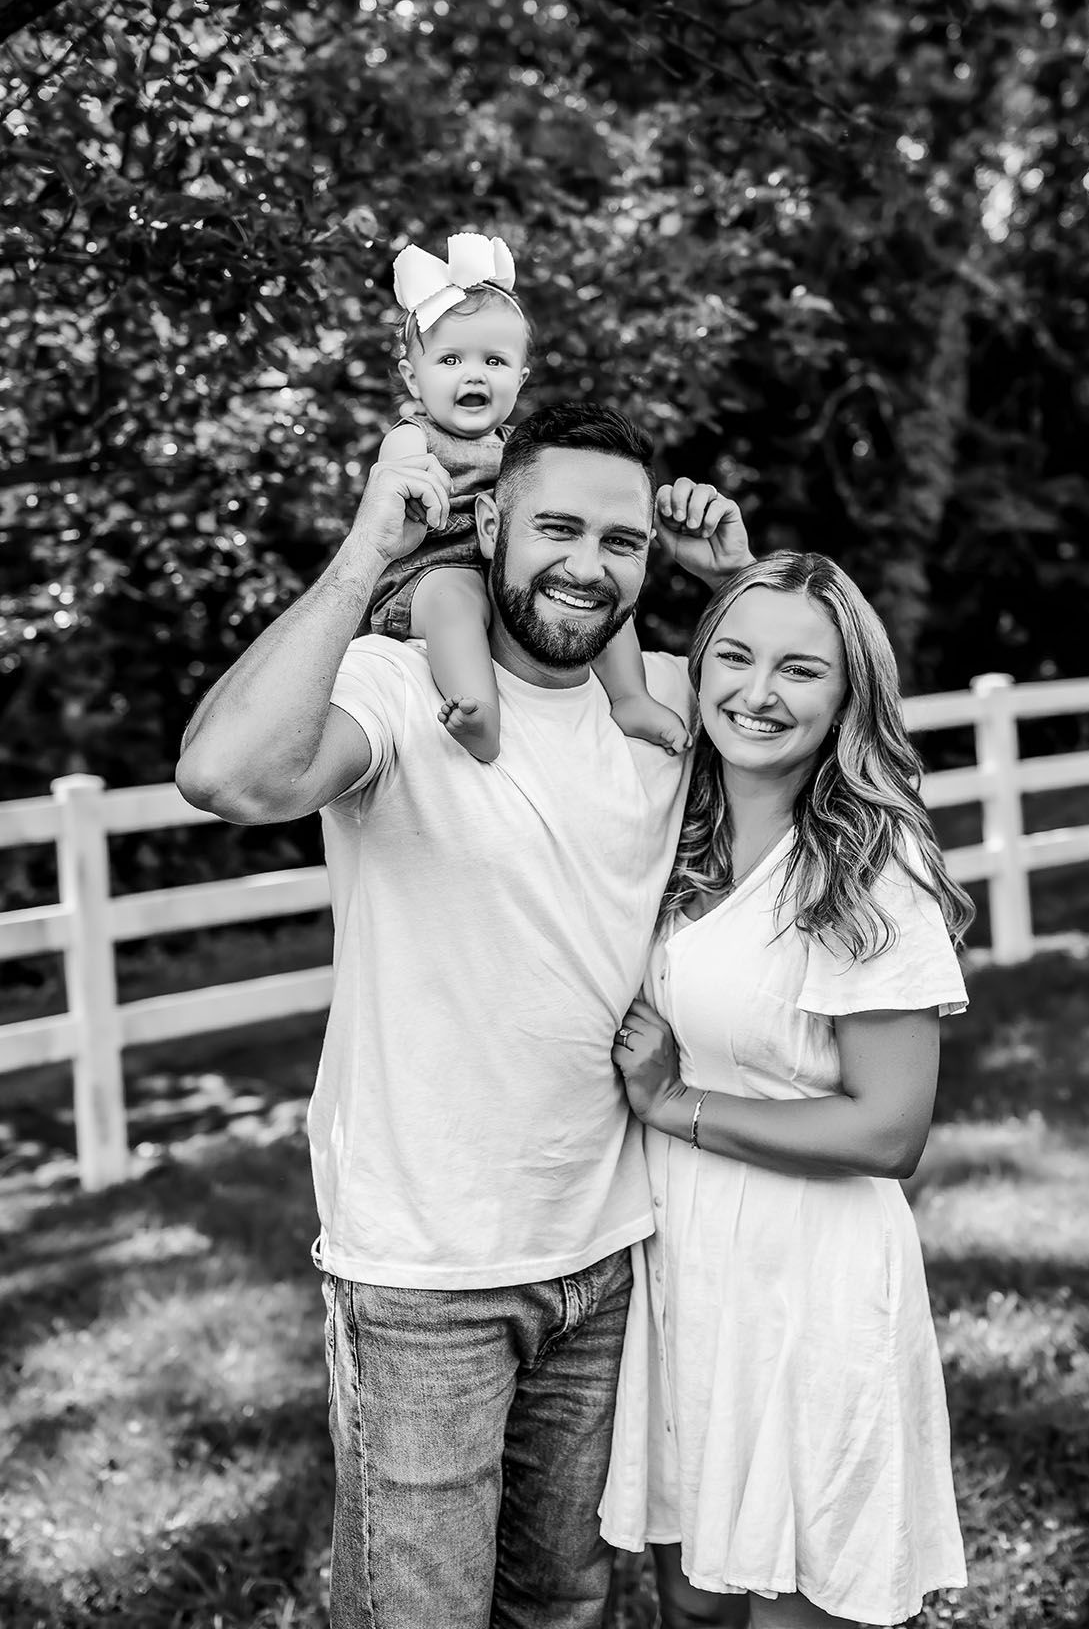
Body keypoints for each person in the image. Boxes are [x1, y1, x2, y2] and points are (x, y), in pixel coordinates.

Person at [174, 400, 753, 1629]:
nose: (586, 566)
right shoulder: (396, 687)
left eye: (621, 540)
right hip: (423, 1273)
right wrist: (365, 553)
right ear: (491, 520)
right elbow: (229, 775)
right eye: (555, 527)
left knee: (563, 1606)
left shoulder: (662, 705)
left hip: (605, 1248)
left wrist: (743, 583)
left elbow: (850, 744)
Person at [602, 551, 973, 1629]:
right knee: (693, 1602)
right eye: (733, 657)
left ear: (847, 693)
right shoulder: (674, 822)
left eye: (801, 671)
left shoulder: (866, 863)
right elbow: (592, 638)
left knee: (798, 1605)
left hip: (807, 1273)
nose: (757, 693)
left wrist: (678, 1106)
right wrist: (719, 570)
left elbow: (888, 1128)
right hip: (684, 1260)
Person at [370, 230, 690, 762]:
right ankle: (479, 713)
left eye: (493, 362)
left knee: (598, 592)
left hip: (503, 571)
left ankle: (631, 698)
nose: (473, 374)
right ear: (413, 377)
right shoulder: (413, 437)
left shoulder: (518, 448)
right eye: (450, 361)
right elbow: (394, 494)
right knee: (457, 603)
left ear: (519, 380)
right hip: (427, 573)